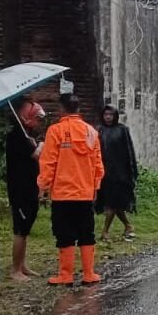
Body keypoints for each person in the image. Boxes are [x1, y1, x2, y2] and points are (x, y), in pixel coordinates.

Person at [38, 94, 105, 286]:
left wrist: (43, 186)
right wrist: (95, 187)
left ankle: (65, 275)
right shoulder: (91, 132)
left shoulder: (55, 131)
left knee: (64, 233)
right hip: (85, 193)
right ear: (78, 109)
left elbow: (48, 162)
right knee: (87, 232)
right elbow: (98, 164)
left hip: (62, 194)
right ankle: (89, 273)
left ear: (61, 109)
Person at [6, 96, 46, 281]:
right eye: (36, 117)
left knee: (26, 228)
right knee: (20, 230)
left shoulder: (26, 135)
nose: (38, 122)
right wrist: (42, 144)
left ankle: (22, 265)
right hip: (20, 189)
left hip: (30, 187)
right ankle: (15, 270)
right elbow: (36, 155)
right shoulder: (17, 136)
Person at [96, 105, 139, 243]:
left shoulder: (122, 130)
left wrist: (132, 172)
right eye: (106, 114)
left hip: (120, 174)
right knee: (114, 203)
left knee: (113, 203)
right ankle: (128, 226)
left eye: (111, 114)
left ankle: (105, 231)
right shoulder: (99, 130)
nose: (108, 117)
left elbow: (129, 151)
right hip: (104, 173)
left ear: (115, 116)